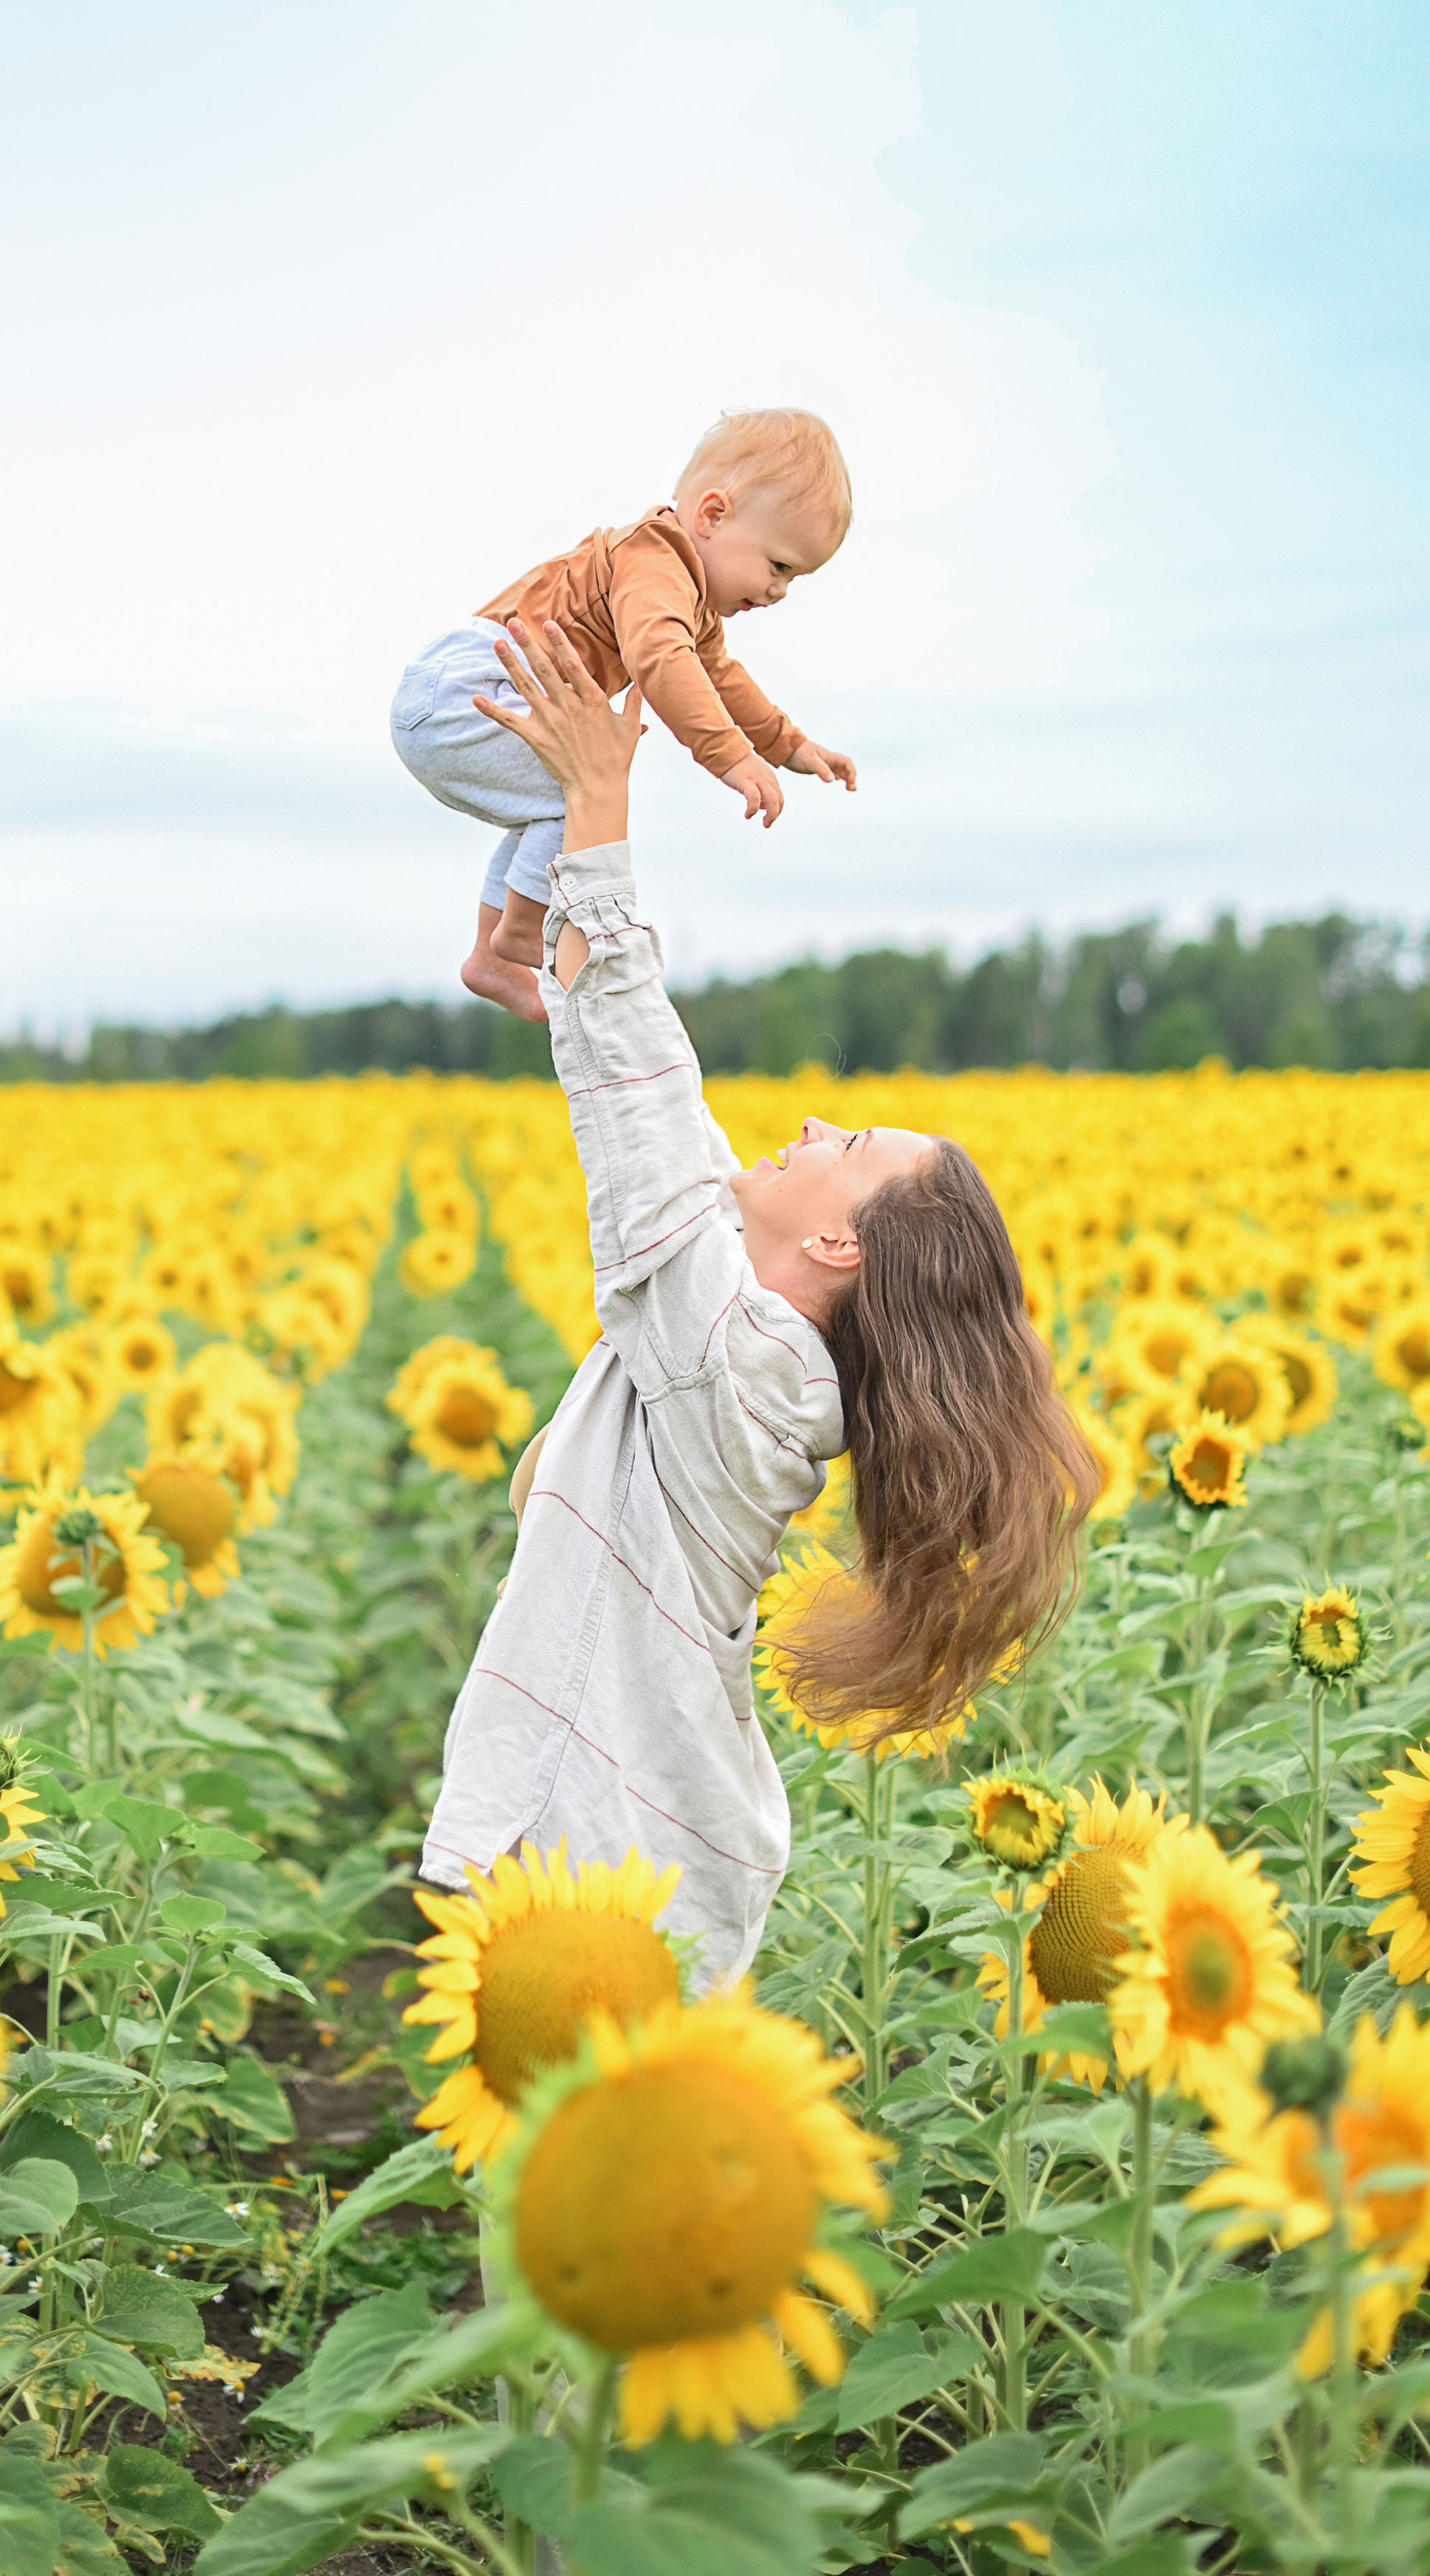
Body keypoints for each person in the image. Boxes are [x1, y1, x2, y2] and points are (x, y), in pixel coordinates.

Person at [421, 620, 1100, 1980]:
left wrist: (598, 813)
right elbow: (671, 1145)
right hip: (628, 1852)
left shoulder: (737, 1367)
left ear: (841, 1244)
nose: (809, 1123)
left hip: (601, 1870)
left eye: (847, 1145)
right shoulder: (758, 1362)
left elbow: (643, 1106)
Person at [389, 408, 859, 1026]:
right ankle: (520, 931)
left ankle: (493, 955)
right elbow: (661, 659)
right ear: (713, 516)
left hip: (455, 693)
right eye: (778, 566)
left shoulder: (687, 596)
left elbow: (720, 677)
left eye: (794, 578)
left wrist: (789, 745)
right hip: (471, 688)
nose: (780, 592)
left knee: (565, 793)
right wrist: (731, 757)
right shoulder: (656, 560)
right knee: (587, 784)